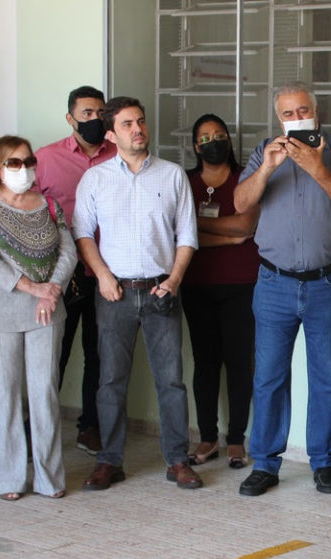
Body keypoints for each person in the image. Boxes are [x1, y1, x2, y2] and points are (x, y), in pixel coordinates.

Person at [233, 81, 331, 497]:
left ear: (317, 109)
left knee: (327, 374)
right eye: (288, 114)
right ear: (279, 118)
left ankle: (325, 460)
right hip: (274, 282)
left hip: (327, 280)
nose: (297, 119)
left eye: (303, 110)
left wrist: (317, 168)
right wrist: (268, 167)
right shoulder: (264, 151)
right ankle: (266, 463)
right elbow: (240, 204)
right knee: (269, 376)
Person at [73, 96, 202, 491]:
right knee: (110, 381)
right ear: (111, 134)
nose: (138, 129)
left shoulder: (172, 175)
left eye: (141, 121)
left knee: (172, 381)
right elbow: (82, 233)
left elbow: (188, 235)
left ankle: (178, 460)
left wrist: (175, 280)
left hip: (163, 289)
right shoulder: (95, 179)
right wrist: (102, 276)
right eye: (128, 124)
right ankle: (109, 461)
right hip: (114, 293)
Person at [0, 135, 77, 500]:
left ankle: (49, 479)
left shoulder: (49, 205)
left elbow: (69, 251)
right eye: (14, 163)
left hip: (47, 310)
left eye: (27, 161)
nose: (23, 169)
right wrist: (35, 288)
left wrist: (52, 288)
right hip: (1, 313)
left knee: (45, 392)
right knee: (5, 394)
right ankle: (10, 479)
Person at [34, 85, 117, 455]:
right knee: (55, 351)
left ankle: (91, 427)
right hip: (62, 273)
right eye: (86, 114)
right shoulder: (46, 158)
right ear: (71, 118)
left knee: (99, 353)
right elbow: (26, 209)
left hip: (106, 271)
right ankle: (39, 427)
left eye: (100, 113)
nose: (94, 120)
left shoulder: (119, 155)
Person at [181, 114, 259, 469]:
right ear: (196, 146)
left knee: (240, 363)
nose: (214, 141)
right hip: (196, 285)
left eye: (220, 135)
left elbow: (246, 226)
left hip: (243, 284)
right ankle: (208, 437)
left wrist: (195, 226)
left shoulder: (246, 179)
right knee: (205, 364)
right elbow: (176, 231)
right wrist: (226, 235)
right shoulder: (184, 181)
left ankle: (237, 440)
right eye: (206, 137)